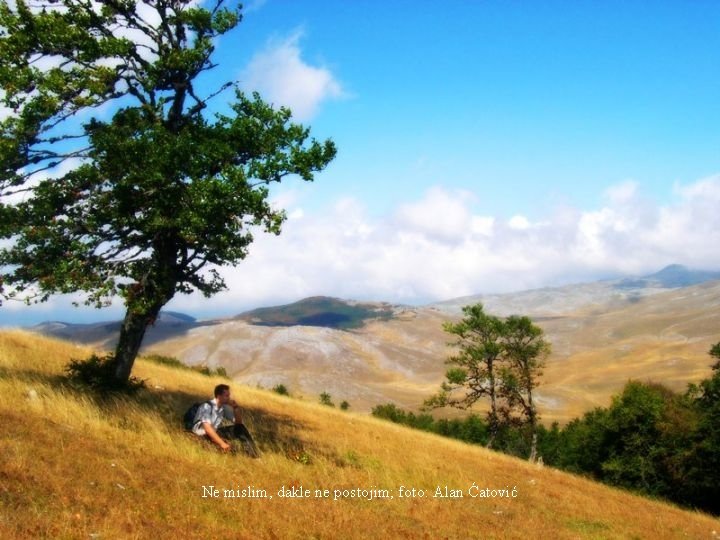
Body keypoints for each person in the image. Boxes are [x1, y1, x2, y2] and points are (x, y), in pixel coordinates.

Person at [191, 384, 259, 457]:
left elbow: (238, 423)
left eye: (228, 396)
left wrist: (235, 407)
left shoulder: (223, 408)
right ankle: (248, 454)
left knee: (240, 428)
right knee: (228, 446)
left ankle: (253, 454)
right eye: (226, 396)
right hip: (202, 433)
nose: (228, 398)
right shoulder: (207, 406)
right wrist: (222, 444)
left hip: (214, 431)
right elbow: (207, 428)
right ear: (219, 396)